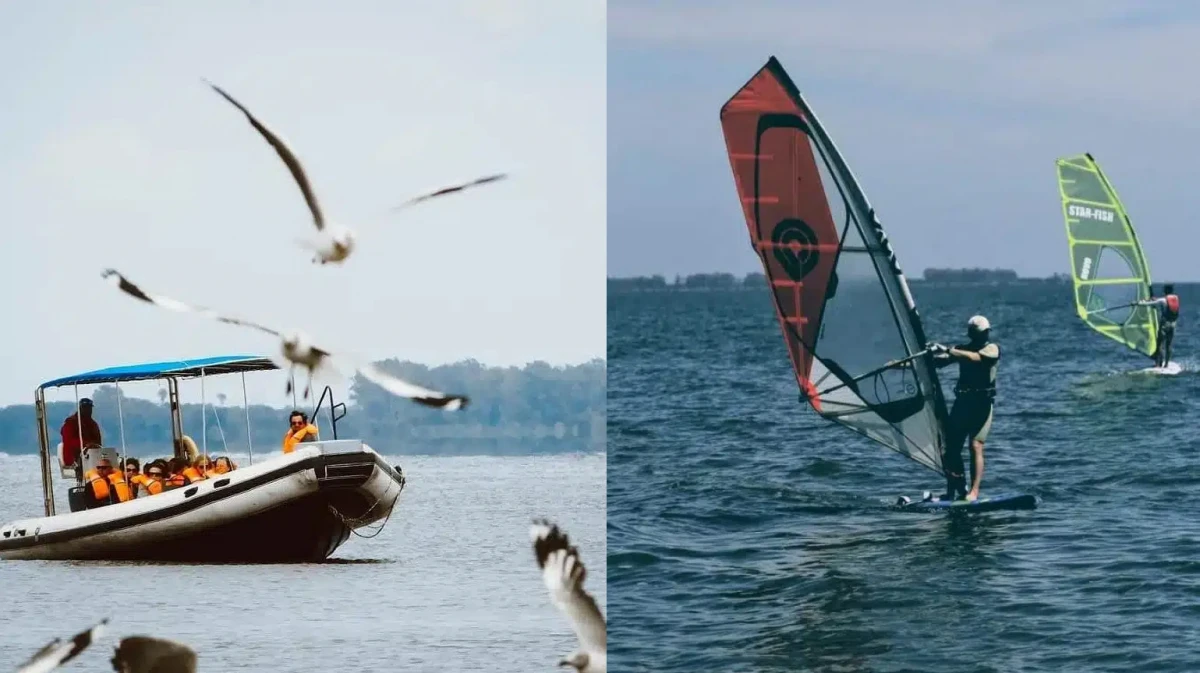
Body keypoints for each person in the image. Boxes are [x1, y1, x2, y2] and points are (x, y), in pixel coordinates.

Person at [928, 315, 1000, 502]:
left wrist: (949, 350)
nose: (983, 336)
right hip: (963, 404)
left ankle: (974, 492)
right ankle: (956, 489)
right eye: (979, 333)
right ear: (971, 333)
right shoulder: (962, 349)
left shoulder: (992, 349)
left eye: (985, 333)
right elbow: (940, 362)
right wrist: (923, 357)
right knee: (951, 449)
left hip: (982, 406)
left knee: (975, 446)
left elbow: (976, 358)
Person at [1137, 283, 1180, 368]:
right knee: (1169, 345)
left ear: (1165, 291)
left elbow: (1150, 303)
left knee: (1160, 344)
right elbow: (1161, 301)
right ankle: (1166, 364)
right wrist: (1155, 299)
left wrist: (1139, 303)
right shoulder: (1176, 298)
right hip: (1173, 324)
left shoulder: (1163, 300)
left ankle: (1158, 364)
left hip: (1165, 325)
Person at [60, 398, 102, 471]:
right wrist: (86, 444)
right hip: (74, 457)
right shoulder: (70, 422)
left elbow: (99, 442)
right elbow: (68, 441)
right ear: (80, 408)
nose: (88, 410)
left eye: (89, 408)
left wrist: (94, 446)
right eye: (85, 408)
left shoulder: (93, 424)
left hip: (93, 456)